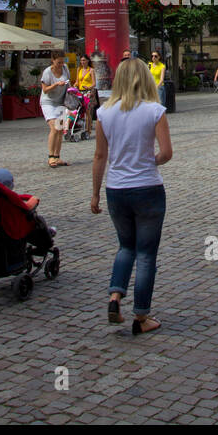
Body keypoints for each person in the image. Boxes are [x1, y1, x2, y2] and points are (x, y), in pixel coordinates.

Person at [92, 57, 173, 336]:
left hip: (116, 189)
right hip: (148, 188)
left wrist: (95, 195)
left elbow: (100, 156)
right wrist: (151, 160)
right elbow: (166, 153)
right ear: (145, 79)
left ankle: (115, 296)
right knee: (146, 254)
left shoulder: (104, 112)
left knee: (125, 247)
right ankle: (141, 316)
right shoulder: (154, 111)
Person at [41, 50, 72, 168]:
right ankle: (50, 157)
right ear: (53, 61)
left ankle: (57, 156)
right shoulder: (47, 72)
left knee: (60, 129)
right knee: (54, 127)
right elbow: (44, 89)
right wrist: (56, 84)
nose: (60, 64)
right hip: (48, 102)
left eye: (62, 62)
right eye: (58, 62)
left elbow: (69, 83)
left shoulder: (65, 68)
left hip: (61, 101)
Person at [75, 59, 98, 136]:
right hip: (80, 92)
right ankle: (82, 127)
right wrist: (74, 85)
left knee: (88, 111)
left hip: (88, 92)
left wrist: (88, 87)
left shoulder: (91, 70)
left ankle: (88, 130)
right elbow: (77, 81)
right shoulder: (79, 69)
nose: (82, 62)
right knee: (80, 110)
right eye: (81, 60)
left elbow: (94, 83)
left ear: (88, 61)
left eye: (84, 60)